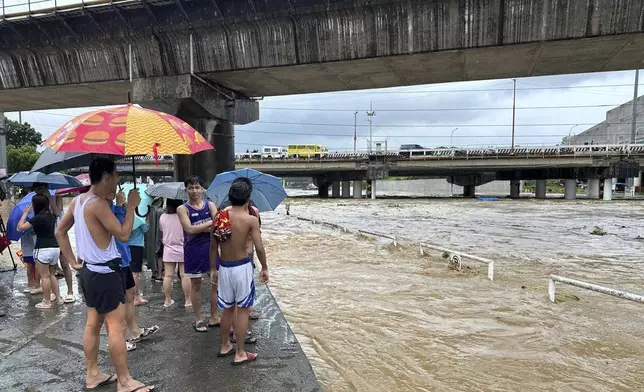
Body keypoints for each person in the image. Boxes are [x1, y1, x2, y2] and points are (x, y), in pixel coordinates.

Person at [55, 158, 154, 392]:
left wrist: (71, 261)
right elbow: (123, 234)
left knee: (93, 324)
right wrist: (130, 206)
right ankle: (125, 381)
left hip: (89, 272)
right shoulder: (97, 204)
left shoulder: (79, 201)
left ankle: (93, 375)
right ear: (108, 175)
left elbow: (60, 231)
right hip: (106, 273)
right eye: (116, 175)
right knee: (115, 327)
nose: (117, 180)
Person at [211, 177, 268, 365]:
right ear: (248, 198)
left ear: (230, 197)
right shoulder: (251, 219)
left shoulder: (220, 217)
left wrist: (213, 269)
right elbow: (259, 247)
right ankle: (240, 352)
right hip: (242, 267)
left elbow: (213, 247)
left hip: (224, 266)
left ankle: (224, 345)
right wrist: (264, 267)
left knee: (227, 309)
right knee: (243, 310)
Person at [110, 191, 159, 351]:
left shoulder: (115, 208)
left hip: (123, 259)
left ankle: (135, 331)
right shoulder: (102, 207)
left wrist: (124, 207)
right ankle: (119, 340)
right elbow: (122, 234)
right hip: (113, 262)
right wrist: (127, 206)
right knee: (117, 304)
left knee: (130, 294)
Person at [177, 175, 219, 332]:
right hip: (193, 251)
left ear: (202, 189)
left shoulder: (210, 205)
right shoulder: (182, 209)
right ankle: (199, 319)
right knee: (195, 285)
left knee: (216, 283)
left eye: (197, 187)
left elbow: (218, 226)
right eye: (190, 187)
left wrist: (200, 227)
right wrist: (210, 223)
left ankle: (215, 316)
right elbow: (189, 230)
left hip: (211, 249)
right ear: (186, 189)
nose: (194, 191)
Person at [33, 182, 75, 303]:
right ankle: (52, 293)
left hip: (59, 232)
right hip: (47, 236)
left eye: (41, 187)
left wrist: (50, 197)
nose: (39, 190)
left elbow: (57, 212)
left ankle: (70, 292)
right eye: (37, 188)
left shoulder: (56, 194)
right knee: (48, 268)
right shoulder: (36, 199)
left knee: (65, 263)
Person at [18, 194, 62, 309]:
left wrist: (25, 214)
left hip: (42, 249)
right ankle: (59, 298)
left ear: (35, 205)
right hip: (55, 248)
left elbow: (20, 228)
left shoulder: (37, 218)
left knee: (45, 276)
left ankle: (47, 301)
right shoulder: (51, 216)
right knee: (52, 274)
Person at [160, 199, 190, 307]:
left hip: (168, 248)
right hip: (183, 247)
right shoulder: (183, 216)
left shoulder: (163, 217)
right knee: (184, 275)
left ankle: (167, 300)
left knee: (168, 276)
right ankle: (187, 300)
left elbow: (162, 230)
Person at [126, 215, 149, 306]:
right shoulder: (138, 218)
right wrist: (147, 221)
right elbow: (145, 229)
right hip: (136, 245)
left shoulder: (123, 215)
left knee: (126, 270)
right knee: (135, 273)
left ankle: (128, 295)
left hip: (124, 245)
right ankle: (136, 297)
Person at [20, 230, 41, 295]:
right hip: (31, 244)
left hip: (31, 244)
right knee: (33, 264)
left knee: (33, 264)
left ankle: (33, 284)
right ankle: (34, 284)